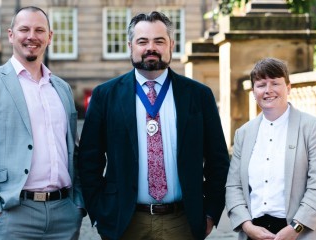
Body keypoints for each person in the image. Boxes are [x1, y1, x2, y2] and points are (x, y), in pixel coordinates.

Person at [78, 11, 230, 240]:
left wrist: (210, 212)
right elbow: (89, 160)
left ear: (171, 44)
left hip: (182, 223)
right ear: (130, 45)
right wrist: (100, 214)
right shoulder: (105, 96)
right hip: (125, 222)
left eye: (159, 41)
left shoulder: (199, 95)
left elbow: (218, 160)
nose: (151, 47)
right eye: (142, 41)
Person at [0, 6, 85, 239]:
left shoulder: (62, 88)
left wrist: (78, 204)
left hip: (64, 215)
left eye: (39, 30)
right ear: (11, 35)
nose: (31, 36)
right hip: (12, 215)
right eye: (24, 29)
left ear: (50, 37)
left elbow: (73, 150)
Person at [225, 57, 316, 240]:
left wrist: (294, 228)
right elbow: (234, 186)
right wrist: (247, 226)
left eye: (275, 83)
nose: (268, 90)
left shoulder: (312, 127)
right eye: (261, 85)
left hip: (302, 232)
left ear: (288, 87)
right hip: (254, 233)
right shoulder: (243, 133)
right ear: (253, 92)